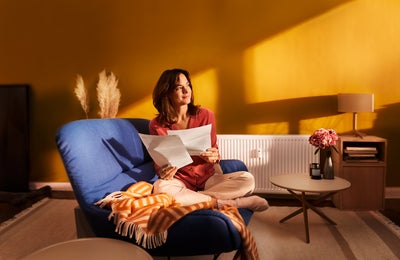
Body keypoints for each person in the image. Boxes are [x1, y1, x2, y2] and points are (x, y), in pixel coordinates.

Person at [149, 68, 269, 212]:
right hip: (179, 180)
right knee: (160, 188)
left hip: (208, 178)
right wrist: (163, 172)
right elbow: (159, 162)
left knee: (247, 179)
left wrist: (214, 157)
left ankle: (194, 199)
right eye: (179, 88)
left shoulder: (205, 115)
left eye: (188, 85)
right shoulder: (156, 124)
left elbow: (214, 149)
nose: (186, 91)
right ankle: (230, 204)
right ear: (167, 92)